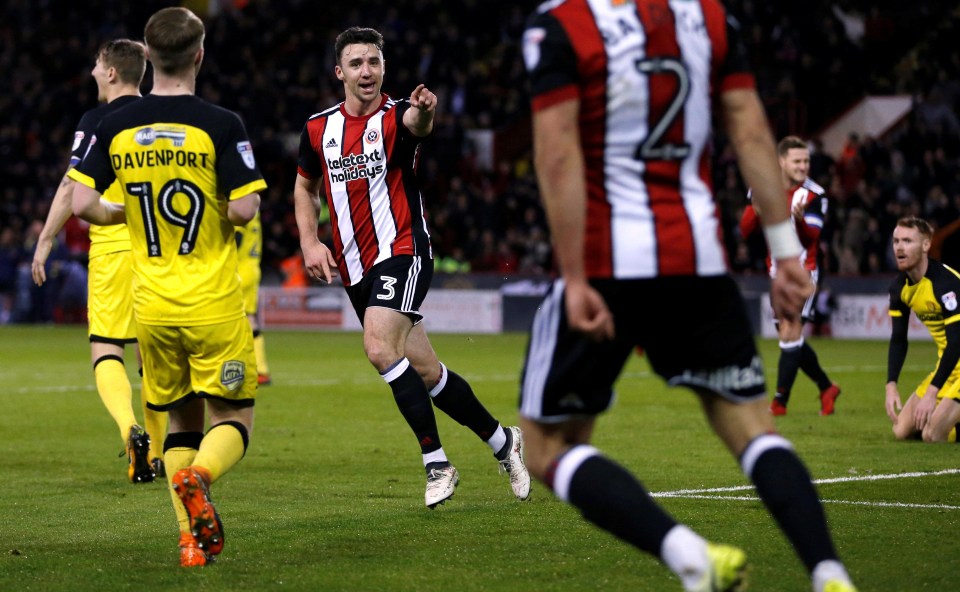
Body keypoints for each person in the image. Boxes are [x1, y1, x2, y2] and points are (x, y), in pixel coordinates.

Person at [519, 2, 856, 592]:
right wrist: (783, 255)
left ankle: (689, 556)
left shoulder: (563, 24)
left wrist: (574, 278)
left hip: (608, 266)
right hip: (698, 262)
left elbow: (556, 154)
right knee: (755, 432)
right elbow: (751, 132)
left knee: (548, 445)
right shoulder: (710, 19)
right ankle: (829, 573)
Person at [294, 26, 530, 509]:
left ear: (384, 68)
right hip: (355, 269)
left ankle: (437, 463)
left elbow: (417, 128)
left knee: (379, 347)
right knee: (425, 372)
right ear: (339, 72)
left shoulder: (394, 118)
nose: (366, 71)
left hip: (403, 250)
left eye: (374, 62)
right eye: (356, 63)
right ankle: (505, 442)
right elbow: (304, 186)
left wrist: (424, 112)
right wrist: (309, 240)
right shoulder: (318, 129)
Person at [69, 6, 265, 567]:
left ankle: (189, 543)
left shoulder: (114, 125)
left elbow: (83, 204)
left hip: (150, 304)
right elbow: (246, 209)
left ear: (148, 57)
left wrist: (127, 214)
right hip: (212, 301)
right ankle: (202, 475)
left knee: (178, 421)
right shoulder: (221, 123)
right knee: (232, 419)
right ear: (199, 55)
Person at [31, 39, 167, 483]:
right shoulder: (162, 116)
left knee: (107, 345)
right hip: (157, 247)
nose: (92, 71)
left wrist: (46, 239)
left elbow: (73, 188)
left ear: (111, 73)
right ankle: (160, 450)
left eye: (96, 64)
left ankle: (130, 430)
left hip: (110, 244)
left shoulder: (96, 120)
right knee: (154, 354)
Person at [739, 136, 841, 416]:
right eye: (797, 161)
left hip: (803, 271)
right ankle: (826, 387)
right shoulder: (762, 187)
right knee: (790, 340)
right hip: (776, 271)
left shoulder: (815, 195)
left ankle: (779, 403)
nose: (803, 166)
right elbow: (746, 230)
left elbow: (813, 238)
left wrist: (797, 218)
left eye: (806, 160)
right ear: (781, 162)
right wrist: (756, 210)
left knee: (789, 332)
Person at [886, 216, 960, 443]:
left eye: (907, 241)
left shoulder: (946, 284)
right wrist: (891, 385)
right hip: (948, 366)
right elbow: (898, 339)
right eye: (896, 240)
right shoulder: (899, 288)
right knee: (900, 431)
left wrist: (932, 392)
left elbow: (957, 342)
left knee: (932, 434)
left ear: (926, 245)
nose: (899, 247)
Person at [235, 213, 271, 385]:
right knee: (249, 319)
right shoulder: (254, 211)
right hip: (251, 268)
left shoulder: (239, 210)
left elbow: (236, 239)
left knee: (236, 320)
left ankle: (256, 369)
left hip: (238, 272)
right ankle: (259, 368)